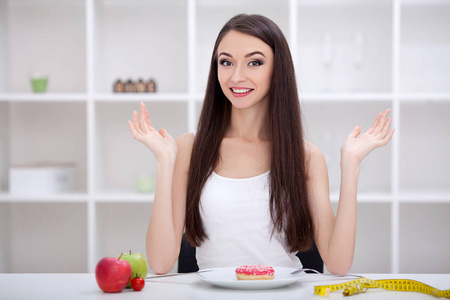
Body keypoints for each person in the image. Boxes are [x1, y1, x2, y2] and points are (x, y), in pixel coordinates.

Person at [128, 14, 394, 275]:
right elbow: (161, 263)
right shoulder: (189, 148)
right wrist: (165, 162)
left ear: (277, 72)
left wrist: (351, 165)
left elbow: (338, 264)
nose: (236, 76)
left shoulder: (306, 157)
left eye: (254, 62)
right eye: (226, 62)